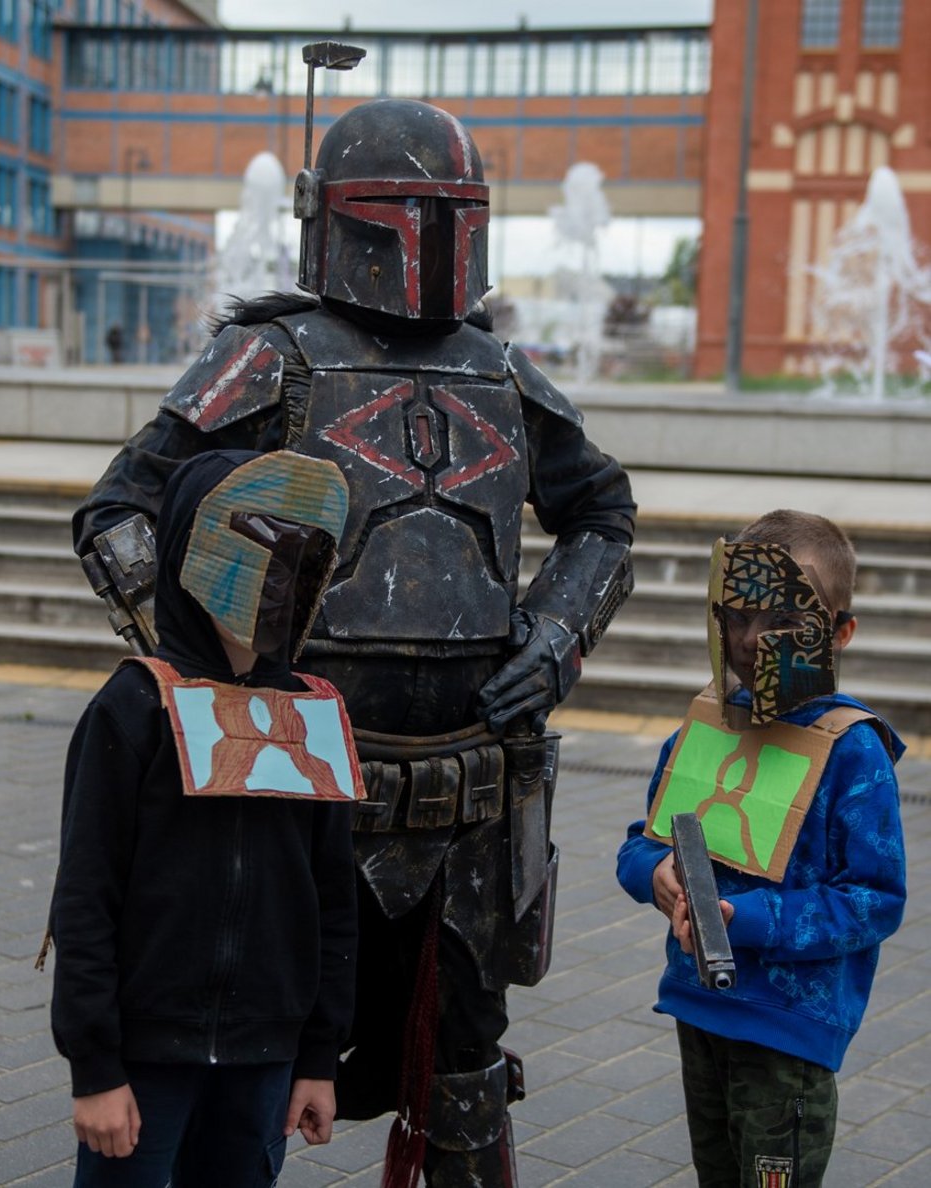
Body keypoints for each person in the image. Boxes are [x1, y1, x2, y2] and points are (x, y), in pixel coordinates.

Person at [71, 96, 637, 1184]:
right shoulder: (270, 357)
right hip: (286, 796)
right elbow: (119, 517)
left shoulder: (502, 371)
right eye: (405, 211)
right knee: (249, 1062)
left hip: (469, 793)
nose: (427, 236)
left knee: (464, 1075)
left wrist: (554, 639)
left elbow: (601, 513)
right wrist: (214, 673)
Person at [46, 448, 361, 1186]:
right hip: (145, 1056)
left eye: (303, 558)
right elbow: (85, 895)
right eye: (264, 552)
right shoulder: (134, 708)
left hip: (264, 1058)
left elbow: (334, 901)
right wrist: (95, 1067)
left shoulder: (311, 714)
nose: (281, 583)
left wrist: (319, 1056)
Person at [617, 509, 907, 1188]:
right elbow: (643, 840)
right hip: (699, 1008)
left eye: (780, 620)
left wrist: (744, 919)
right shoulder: (709, 725)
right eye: (738, 616)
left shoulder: (852, 752)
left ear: (840, 632)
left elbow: (874, 901)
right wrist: (654, 872)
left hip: (787, 1029)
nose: (750, 640)